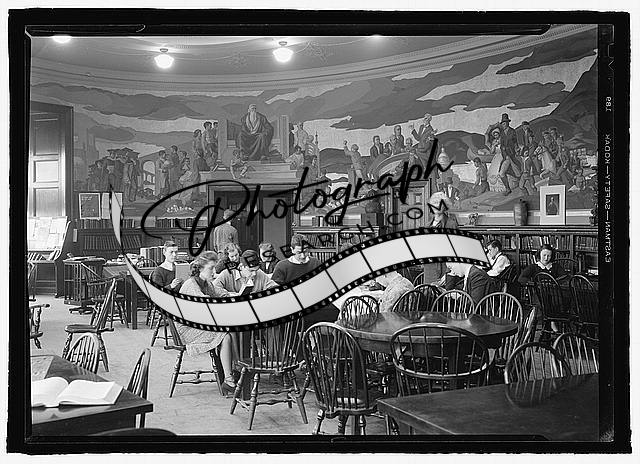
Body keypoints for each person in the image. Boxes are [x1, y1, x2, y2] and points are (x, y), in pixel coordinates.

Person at [177, 251, 236, 394]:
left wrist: (233, 296)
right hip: (188, 330)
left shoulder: (205, 283)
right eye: (211, 268)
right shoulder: (191, 285)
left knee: (233, 331)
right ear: (200, 269)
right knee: (225, 334)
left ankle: (232, 373)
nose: (214, 272)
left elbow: (221, 293)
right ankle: (229, 378)